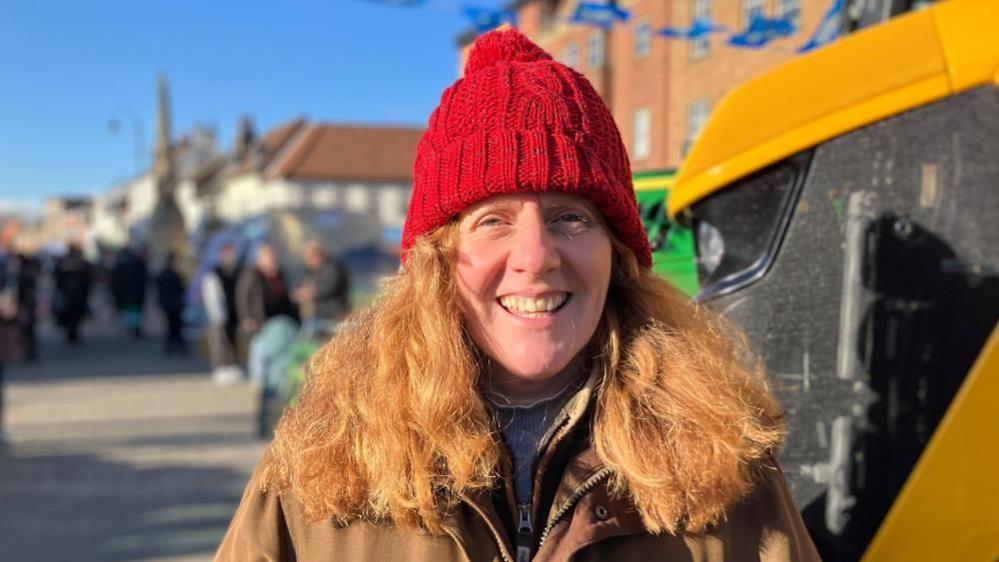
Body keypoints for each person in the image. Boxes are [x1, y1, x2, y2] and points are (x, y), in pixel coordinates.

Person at [216, 30, 820, 562]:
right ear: (435, 261)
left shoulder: (720, 459)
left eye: (571, 218)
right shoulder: (324, 458)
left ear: (618, 253)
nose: (535, 257)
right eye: (493, 221)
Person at [235, 243, 297, 384]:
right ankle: (258, 378)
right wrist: (246, 317)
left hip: (280, 320)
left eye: (273, 258)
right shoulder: (251, 274)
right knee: (260, 349)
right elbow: (243, 296)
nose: (272, 261)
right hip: (260, 320)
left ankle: (276, 377)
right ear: (260, 258)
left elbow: (285, 295)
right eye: (269, 258)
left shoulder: (279, 274)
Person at [202, 241, 243, 384]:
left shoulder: (238, 272)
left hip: (235, 314)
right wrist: (216, 315)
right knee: (219, 342)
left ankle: (232, 366)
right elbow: (211, 297)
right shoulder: (214, 274)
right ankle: (221, 367)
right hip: (219, 314)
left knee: (232, 341)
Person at [291, 240, 350, 335]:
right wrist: (299, 294)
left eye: (311, 257)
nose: (308, 261)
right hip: (315, 318)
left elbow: (330, 286)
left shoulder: (332, 268)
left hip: (335, 316)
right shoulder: (309, 272)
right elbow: (297, 287)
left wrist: (311, 293)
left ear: (318, 255)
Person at [54, 243, 92, 344]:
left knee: (72, 316)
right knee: (73, 316)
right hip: (74, 296)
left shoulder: (66, 263)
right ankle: (72, 333)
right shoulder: (79, 263)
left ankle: (72, 333)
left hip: (73, 295)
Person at [111, 245, 148, 339]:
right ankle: (133, 329)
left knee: (131, 311)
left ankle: (132, 328)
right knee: (134, 311)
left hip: (129, 292)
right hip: (133, 292)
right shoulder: (136, 263)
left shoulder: (123, 264)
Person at [155, 252, 187, 355]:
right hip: (174, 304)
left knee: (172, 326)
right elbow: (180, 288)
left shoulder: (163, 274)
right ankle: (176, 345)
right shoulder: (172, 275)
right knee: (175, 326)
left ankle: (173, 346)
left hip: (169, 304)